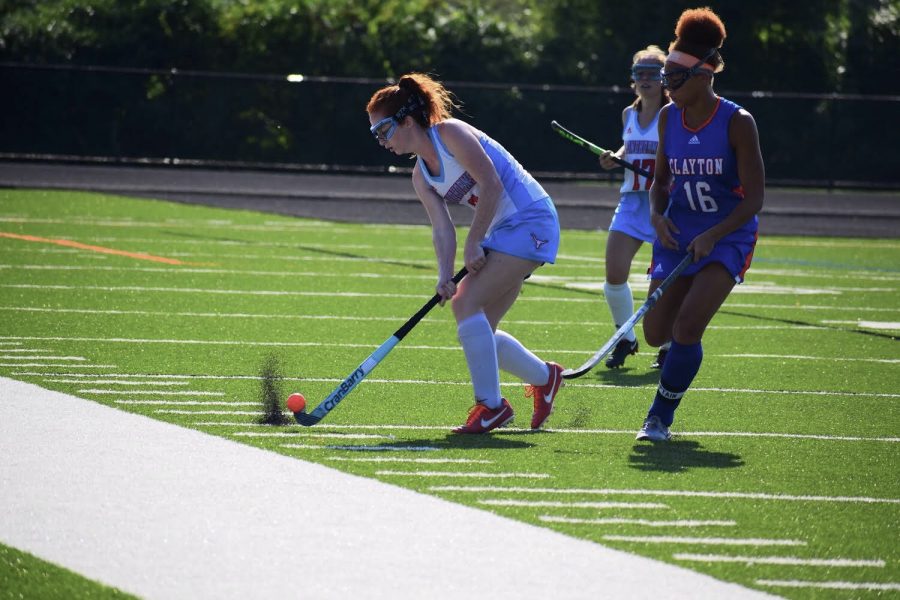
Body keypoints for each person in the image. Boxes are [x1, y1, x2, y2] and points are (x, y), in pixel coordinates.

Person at [366, 73, 565, 434]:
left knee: (464, 304)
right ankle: (545, 377)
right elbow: (442, 229)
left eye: (382, 130)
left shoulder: (451, 134)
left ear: (406, 120)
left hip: (530, 220)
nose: (381, 141)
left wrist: (474, 242)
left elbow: (491, 184)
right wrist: (444, 275)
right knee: (480, 329)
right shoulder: (420, 176)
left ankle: (491, 407)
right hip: (501, 231)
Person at [637, 7, 765, 441]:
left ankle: (658, 418)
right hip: (677, 234)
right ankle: (678, 361)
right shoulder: (669, 118)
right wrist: (656, 216)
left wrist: (713, 235)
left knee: (688, 326)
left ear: (704, 76)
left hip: (726, 235)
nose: (667, 84)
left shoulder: (737, 122)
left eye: (675, 76)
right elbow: (660, 182)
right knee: (655, 333)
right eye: (666, 74)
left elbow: (755, 199)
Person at [597, 45, 671, 370]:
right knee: (614, 273)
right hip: (631, 202)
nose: (645, 79)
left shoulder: (675, 114)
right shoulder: (629, 114)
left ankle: (668, 345)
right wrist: (616, 156)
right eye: (639, 73)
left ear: (665, 77)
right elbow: (630, 145)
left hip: (664, 205)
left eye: (652, 72)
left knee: (665, 280)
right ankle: (625, 338)